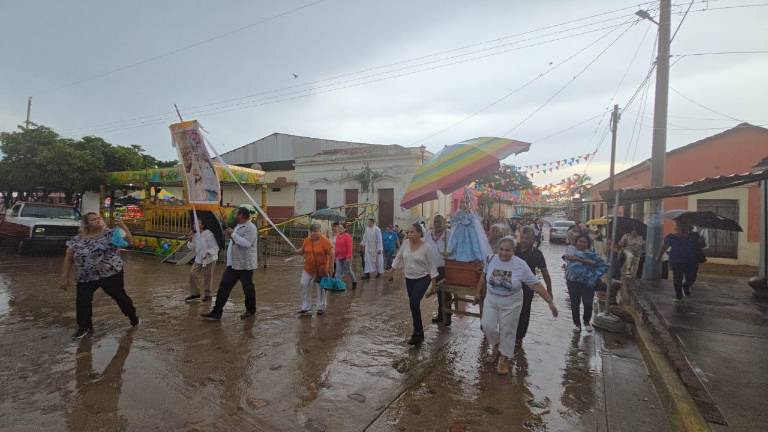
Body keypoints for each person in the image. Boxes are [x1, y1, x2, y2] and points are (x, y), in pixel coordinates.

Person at [475, 237, 558, 375]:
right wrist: (478, 292)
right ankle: (497, 346)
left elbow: (535, 284)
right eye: (501, 249)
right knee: (487, 326)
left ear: (514, 251)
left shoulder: (520, 265)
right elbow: (484, 277)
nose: (503, 253)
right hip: (492, 299)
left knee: (508, 329)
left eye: (507, 250)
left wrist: (550, 301)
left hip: (511, 302)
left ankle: (505, 357)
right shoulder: (490, 259)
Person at [59, 213, 139, 340]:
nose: (97, 220)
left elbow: (130, 241)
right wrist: (65, 277)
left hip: (110, 273)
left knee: (120, 297)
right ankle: (84, 328)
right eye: (93, 219)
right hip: (86, 276)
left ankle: (132, 316)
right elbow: (68, 259)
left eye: (99, 218)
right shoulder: (77, 239)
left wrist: (122, 225)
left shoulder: (111, 233)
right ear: (86, 223)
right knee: (82, 301)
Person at [201, 207, 258, 321]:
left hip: (245, 265)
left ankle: (250, 310)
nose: (234, 216)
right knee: (224, 287)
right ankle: (217, 312)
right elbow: (235, 239)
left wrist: (233, 234)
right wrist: (230, 233)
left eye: (236, 214)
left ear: (241, 215)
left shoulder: (251, 228)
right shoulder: (238, 225)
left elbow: (246, 243)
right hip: (233, 264)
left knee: (248, 288)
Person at [387, 223, 438, 345]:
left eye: (412, 232)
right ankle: (419, 332)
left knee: (414, 302)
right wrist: (391, 271)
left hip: (423, 278)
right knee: (413, 305)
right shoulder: (405, 244)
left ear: (420, 233)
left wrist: (433, 285)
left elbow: (432, 267)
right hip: (409, 278)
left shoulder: (427, 248)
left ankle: (417, 333)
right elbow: (399, 257)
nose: (409, 234)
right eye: (408, 232)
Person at [562, 235, 609, 332]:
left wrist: (595, 275)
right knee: (575, 304)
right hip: (572, 282)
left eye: (584, 242)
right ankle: (577, 325)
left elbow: (603, 265)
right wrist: (583, 261)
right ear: (576, 242)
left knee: (587, 303)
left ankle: (586, 322)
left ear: (588, 244)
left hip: (588, 283)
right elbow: (567, 257)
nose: (582, 244)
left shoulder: (592, 254)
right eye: (580, 241)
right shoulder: (571, 250)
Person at [515, 227, 553, 345]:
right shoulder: (513, 249)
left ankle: (519, 337)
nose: (524, 240)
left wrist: (549, 290)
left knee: (525, 312)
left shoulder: (537, 254)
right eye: (522, 237)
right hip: (511, 286)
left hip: (528, 287)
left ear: (533, 239)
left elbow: (545, 273)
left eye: (528, 238)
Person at [656, 221, 706, 301]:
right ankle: (678, 295)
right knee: (677, 278)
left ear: (688, 228)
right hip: (677, 260)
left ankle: (686, 286)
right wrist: (659, 256)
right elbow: (664, 247)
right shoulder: (671, 237)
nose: (682, 228)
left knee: (692, 277)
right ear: (677, 228)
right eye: (680, 226)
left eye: (684, 227)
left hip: (692, 261)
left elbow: (702, 245)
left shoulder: (695, 236)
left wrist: (702, 241)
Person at [295, 223, 334, 315]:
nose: (315, 233)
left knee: (321, 288)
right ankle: (305, 306)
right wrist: (297, 251)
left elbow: (332, 254)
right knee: (303, 284)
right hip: (308, 268)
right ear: (310, 232)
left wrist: (331, 268)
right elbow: (303, 250)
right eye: (313, 232)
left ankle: (321, 306)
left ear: (320, 231)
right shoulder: (307, 240)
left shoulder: (325, 241)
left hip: (321, 270)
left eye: (317, 231)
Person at [185, 217, 222, 303]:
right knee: (192, 274)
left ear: (202, 225)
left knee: (207, 277)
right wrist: (190, 240)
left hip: (209, 259)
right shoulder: (195, 235)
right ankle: (195, 293)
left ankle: (207, 295)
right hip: (199, 258)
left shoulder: (208, 234)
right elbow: (191, 247)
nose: (194, 225)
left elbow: (215, 247)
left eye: (196, 223)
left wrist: (208, 252)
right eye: (194, 224)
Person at [425, 214, 451, 325]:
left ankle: (447, 317)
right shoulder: (428, 234)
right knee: (438, 293)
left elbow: (455, 247)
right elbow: (423, 247)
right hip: (432, 269)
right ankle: (440, 315)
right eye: (435, 222)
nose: (437, 224)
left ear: (444, 223)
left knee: (445, 293)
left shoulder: (449, 234)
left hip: (445, 268)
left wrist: (450, 254)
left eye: (440, 222)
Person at [333, 222, 357, 289]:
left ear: (345, 229)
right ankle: (336, 285)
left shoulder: (347, 236)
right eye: (339, 228)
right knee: (338, 271)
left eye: (341, 228)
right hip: (338, 257)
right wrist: (335, 256)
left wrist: (348, 257)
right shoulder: (337, 236)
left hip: (346, 257)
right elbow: (337, 247)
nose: (339, 229)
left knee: (348, 271)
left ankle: (354, 281)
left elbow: (349, 248)